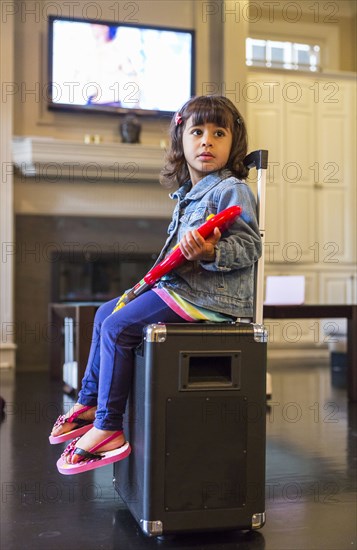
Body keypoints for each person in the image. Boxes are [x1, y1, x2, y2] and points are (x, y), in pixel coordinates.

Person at [51, 95, 262, 475]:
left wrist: (211, 252)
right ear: (181, 140)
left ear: (234, 142)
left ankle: (109, 428)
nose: (207, 142)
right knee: (106, 312)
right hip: (183, 288)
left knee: (118, 328)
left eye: (218, 133)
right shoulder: (187, 197)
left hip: (210, 298)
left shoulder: (233, 190)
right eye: (197, 132)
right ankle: (88, 402)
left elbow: (250, 246)